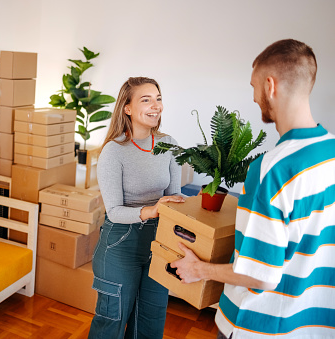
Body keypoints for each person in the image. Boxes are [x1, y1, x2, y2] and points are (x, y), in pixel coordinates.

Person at [171, 39, 335, 338]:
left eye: (254, 86)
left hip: (258, 326)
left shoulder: (273, 169)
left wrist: (199, 269)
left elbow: (259, 274)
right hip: (316, 327)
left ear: (270, 85)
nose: (256, 97)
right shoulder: (330, 153)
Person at [88, 77, 185, 339]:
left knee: (150, 325)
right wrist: (151, 210)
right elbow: (114, 211)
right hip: (120, 245)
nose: (156, 106)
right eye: (146, 99)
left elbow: (174, 196)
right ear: (127, 108)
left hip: (158, 244)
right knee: (111, 325)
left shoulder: (169, 144)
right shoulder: (113, 151)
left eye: (158, 98)